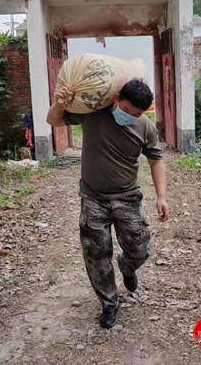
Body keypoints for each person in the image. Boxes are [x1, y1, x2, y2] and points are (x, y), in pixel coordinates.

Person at [47, 79, 169, 329]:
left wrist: (161, 197)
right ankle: (109, 303)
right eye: (125, 110)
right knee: (97, 256)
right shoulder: (92, 114)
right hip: (93, 198)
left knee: (140, 249)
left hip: (128, 197)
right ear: (115, 99)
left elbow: (156, 161)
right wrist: (59, 103)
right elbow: (53, 121)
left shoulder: (145, 127)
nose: (129, 117)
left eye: (136, 114)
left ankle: (127, 267)